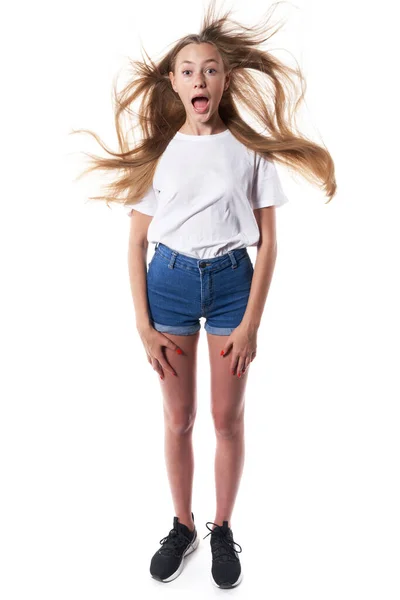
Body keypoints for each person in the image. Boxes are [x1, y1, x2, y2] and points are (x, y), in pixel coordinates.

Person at [72, 0, 336, 589]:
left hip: (230, 286)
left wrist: (251, 323)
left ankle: (221, 528)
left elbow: (268, 243)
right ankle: (182, 524)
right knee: (178, 417)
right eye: (189, 69)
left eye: (211, 69)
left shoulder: (250, 151)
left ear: (224, 80)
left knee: (226, 418)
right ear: (174, 81)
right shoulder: (158, 153)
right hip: (166, 283)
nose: (200, 78)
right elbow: (136, 242)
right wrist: (142, 323)